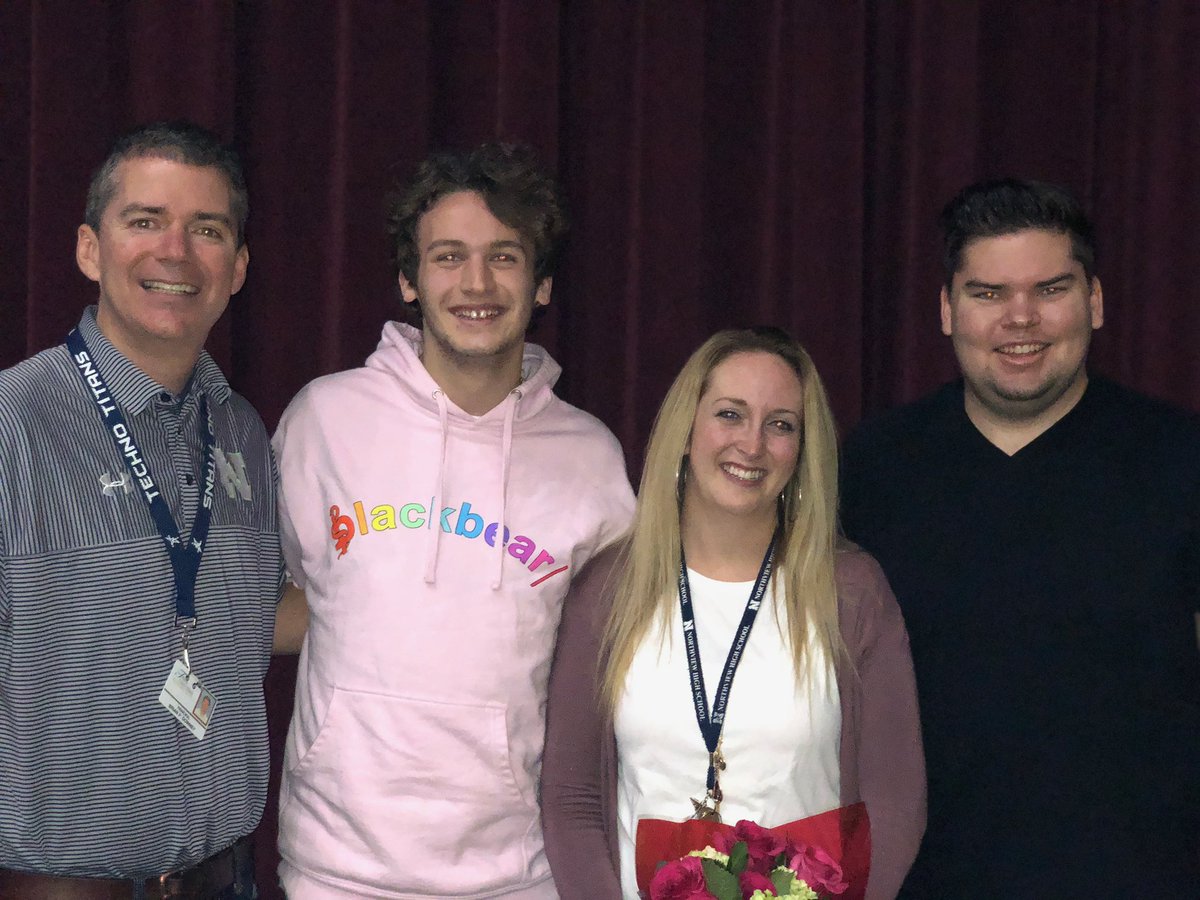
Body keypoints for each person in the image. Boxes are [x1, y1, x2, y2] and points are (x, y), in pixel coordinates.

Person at [271, 143, 635, 898]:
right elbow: (285, 605)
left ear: (541, 284)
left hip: (516, 876)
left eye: (504, 257)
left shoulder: (590, 458)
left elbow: (609, 668)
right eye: (448, 256)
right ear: (409, 279)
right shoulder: (324, 421)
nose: (477, 283)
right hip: (335, 872)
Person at [840, 178, 1200, 895]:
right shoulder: (868, 469)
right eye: (988, 293)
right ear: (947, 310)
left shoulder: (1181, 461)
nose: (1021, 319)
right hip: (921, 885)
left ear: (1094, 301)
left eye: (1050, 289)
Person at [541, 328, 925, 900]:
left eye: (781, 425)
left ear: (802, 449)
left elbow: (896, 797)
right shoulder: (608, 591)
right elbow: (572, 801)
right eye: (729, 414)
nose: (752, 445)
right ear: (685, 429)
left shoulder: (851, 591)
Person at [0, 121, 280, 897]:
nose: (176, 252)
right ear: (90, 248)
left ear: (239, 266)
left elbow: (260, 615)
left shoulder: (245, 435)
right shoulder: (12, 426)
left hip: (224, 880)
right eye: (146, 220)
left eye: (208, 230)